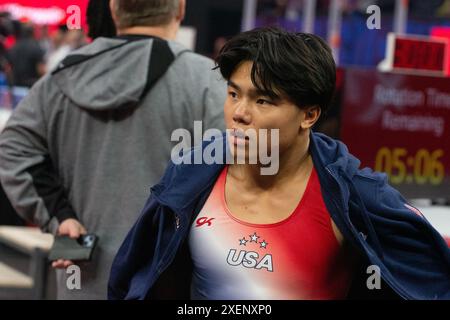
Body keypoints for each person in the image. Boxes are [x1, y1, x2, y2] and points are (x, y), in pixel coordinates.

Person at [108, 27, 450, 300]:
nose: (239, 113)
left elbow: (432, 276)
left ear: (309, 114)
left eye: (262, 100)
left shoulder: (354, 193)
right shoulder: (190, 173)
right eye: (233, 93)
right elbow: (133, 275)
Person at [0, 0, 226, 299]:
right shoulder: (209, 82)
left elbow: (13, 149)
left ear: (114, 9)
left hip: (80, 270)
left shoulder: (61, 77)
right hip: (167, 277)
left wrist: (59, 215)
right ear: (180, 10)